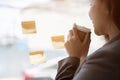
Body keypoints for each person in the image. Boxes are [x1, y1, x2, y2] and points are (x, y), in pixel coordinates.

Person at [55, 0, 120, 80]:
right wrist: (82, 59)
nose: (89, 14)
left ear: (108, 5)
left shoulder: (105, 59)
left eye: (91, 4)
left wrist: (72, 58)